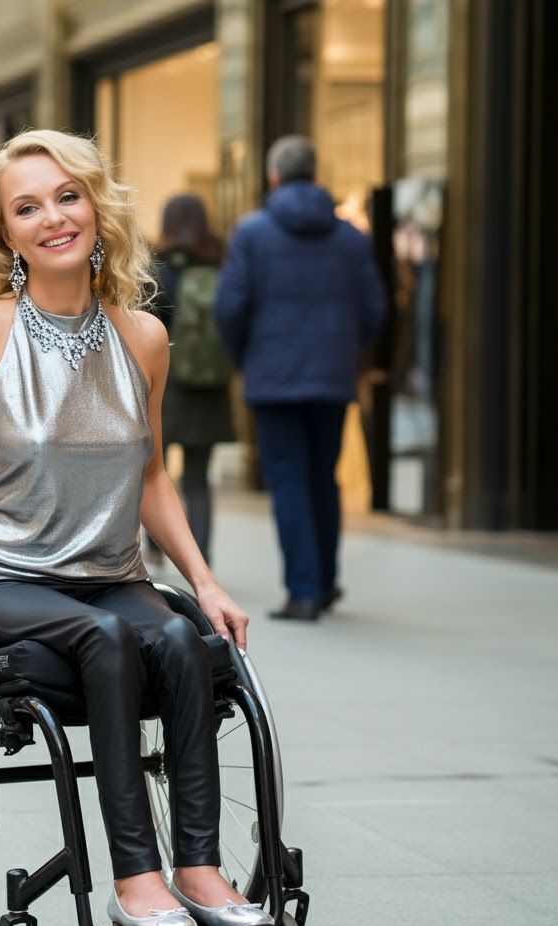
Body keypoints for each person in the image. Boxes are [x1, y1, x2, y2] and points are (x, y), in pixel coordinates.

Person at [0, 129, 274, 926]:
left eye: (68, 196)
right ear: (5, 234)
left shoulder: (145, 338)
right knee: (104, 637)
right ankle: (136, 882)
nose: (53, 218)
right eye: (27, 207)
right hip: (0, 579)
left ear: (97, 207)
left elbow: (153, 477)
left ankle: (198, 869)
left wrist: (205, 583)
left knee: (174, 635)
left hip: (110, 569)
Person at [215, 136, 386, 621]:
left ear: (273, 177)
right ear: (315, 175)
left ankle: (304, 589)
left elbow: (231, 306)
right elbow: (375, 308)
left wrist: (245, 357)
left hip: (273, 379)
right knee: (321, 478)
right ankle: (326, 582)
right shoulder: (351, 238)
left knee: (287, 479)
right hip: (332, 378)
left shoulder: (252, 233)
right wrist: (349, 355)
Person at [151, 194, 234, 565]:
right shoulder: (221, 264)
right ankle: (202, 556)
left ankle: (156, 547)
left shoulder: (160, 267)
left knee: (153, 470)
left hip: (165, 383)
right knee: (199, 479)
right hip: (209, 387)